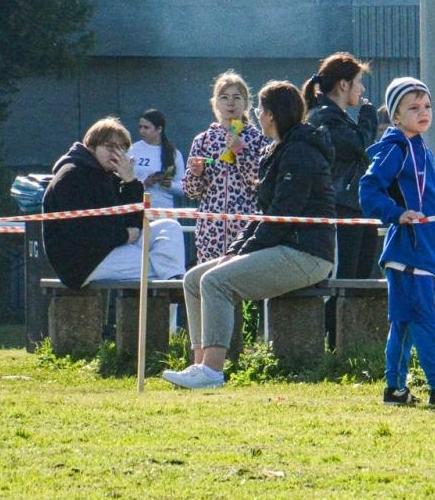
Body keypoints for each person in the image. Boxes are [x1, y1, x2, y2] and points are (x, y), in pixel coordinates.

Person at [162, 81, 337, 390]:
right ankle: (199, 363)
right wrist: (238, 249)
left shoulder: (300, 152)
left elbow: (282, 216)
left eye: (258, 109)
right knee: (193, 279)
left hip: (306, 253)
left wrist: (242, 253)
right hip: (282, 245)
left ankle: (213, 371)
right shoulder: (277, 149)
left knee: (216, 281)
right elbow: (263, 213)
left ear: (270, 115)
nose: (256, 114)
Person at [358, 77, 435, 407]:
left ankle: (394, 390)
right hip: (406, 251)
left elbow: (430, 198)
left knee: (405, 325)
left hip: (422, 248)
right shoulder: (396, 147)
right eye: (413, 107)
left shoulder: (422, 149)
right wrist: (396, 213)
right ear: (395, 116)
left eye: (426, 106)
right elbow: (368, 190)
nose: (423, 112)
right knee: (425, 322)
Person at [41, 117, 186, 288]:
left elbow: (134, 223)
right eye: (110, 146)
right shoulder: (72, 175)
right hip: (83, 262)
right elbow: (80, 231)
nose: (116, 153)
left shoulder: (108, 175)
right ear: (92, 146)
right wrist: (123, 236)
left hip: (112, 246)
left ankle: (175, 283)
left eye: (122, 148)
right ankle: (175, 287)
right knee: (157, 270)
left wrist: (131, 181)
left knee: (169, 227)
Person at [302, 53, 380, 280]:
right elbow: (357, 145)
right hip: (340, 208)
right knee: (344, 279)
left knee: (362, 278)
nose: (362, 90)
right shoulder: (324, 117)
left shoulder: (337, 116)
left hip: (355, 206)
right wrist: (368, 116)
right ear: (344, 84)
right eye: (359, 82)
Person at [182, 71, 267, 264]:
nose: (230, 103)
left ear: (246, 103)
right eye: (224, 97)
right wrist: (195, 174)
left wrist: (241, 151)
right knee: (209, 281)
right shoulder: (203, 140)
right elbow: (190, 191)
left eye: (237, 97)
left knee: (246, 286)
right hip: (211, 229)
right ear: (215, 103)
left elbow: (260, 184)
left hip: (246, 228)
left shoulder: (258, 139)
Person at [128, 109, 185, 209]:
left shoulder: (174, 154)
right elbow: (124, 182)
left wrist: (169, 185)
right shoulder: (132, 150)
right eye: (140, 127)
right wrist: (144, 183)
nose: (142, 131)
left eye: (146, 127)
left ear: (159, 129)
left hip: (164, 213)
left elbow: (183, 189)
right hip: (137, 211)